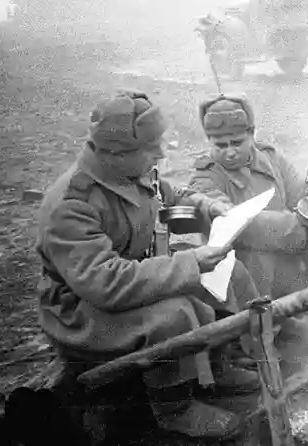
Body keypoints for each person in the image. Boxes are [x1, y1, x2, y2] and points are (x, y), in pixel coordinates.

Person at [36, 90, 261, 440]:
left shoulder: (130, 171)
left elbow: (170, 196)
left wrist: (206, 206)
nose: (161, 152)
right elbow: (104, 284)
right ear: (114, 153)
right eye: (151, 147)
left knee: (228, 273)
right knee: (172, 313)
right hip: (80, 309)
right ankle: (174, 407)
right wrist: (190, 263)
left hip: (132, 279)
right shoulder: (73, 204)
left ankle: (218, 367)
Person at [188, 93, 308, 301]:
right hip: (240, 275)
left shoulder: (271, 158)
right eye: (220, 146)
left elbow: (300, 198)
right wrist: (295, 226)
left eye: (237, 143)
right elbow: (231, 220)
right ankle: (259, 327)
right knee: (257, 255)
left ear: (252, 135)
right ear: (209, 141)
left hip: (286, 259)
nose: (229, 152)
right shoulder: (205, 176)